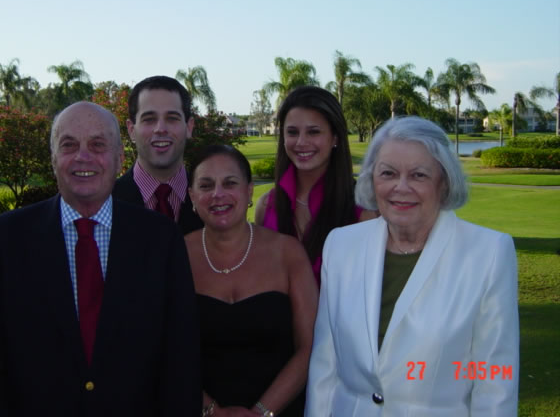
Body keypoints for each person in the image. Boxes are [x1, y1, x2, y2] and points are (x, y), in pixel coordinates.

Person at [0, 101, 201, 416]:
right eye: (69, 145)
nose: (83, 156)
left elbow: (181, 356)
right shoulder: (2, 241)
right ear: (53, 159)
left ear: (119, 159)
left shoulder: (161, 238)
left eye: (98, 145)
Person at [305, 116, 519, 416]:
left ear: (444, 182)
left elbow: (495, 380)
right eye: (388, 173)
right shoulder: (341, 246)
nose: (401, 187)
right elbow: (325, 365)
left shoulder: (488, 253)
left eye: (418, 175)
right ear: (371, 179)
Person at [185, 144, 318, 417]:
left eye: (230, 183)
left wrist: (261, 413)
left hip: (281, 410)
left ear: (249, 191)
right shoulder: (176, 255)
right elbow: (164, 349)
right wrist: (212, 411)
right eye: (206, 185)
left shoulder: (288, 252)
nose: (218, 194)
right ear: (192, 196)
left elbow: (310, 347)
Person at [255, 86, 375, 284]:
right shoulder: (267, 206)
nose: (301, 142)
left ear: (335, 137)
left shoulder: (363, 214)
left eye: (313, 132)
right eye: (292, 132)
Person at [112, 75, 203, 234]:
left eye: (172, 118)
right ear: (131, 129)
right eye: (149, 119)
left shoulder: (210, 201)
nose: (161, 129)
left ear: (189, 127)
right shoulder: (105, 202)